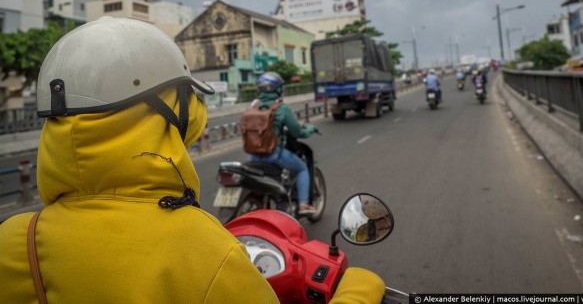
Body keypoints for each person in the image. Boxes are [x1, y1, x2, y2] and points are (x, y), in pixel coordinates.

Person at [0, 17, 385, 304]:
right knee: (301, 168)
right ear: (162, 109)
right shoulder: (205, 253)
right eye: (185, 97)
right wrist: (359, 291)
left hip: (254, 160)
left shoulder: (16, 239)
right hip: (278, 160)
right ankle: (303, 201)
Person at [249, 71, 318, 215]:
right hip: (274, 155)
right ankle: (304, 205)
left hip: (253, 156)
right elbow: (297, 132)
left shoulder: (254, 107)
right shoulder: (282, 108)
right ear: (277, 89)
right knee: (302, 169)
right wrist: (310, 130)